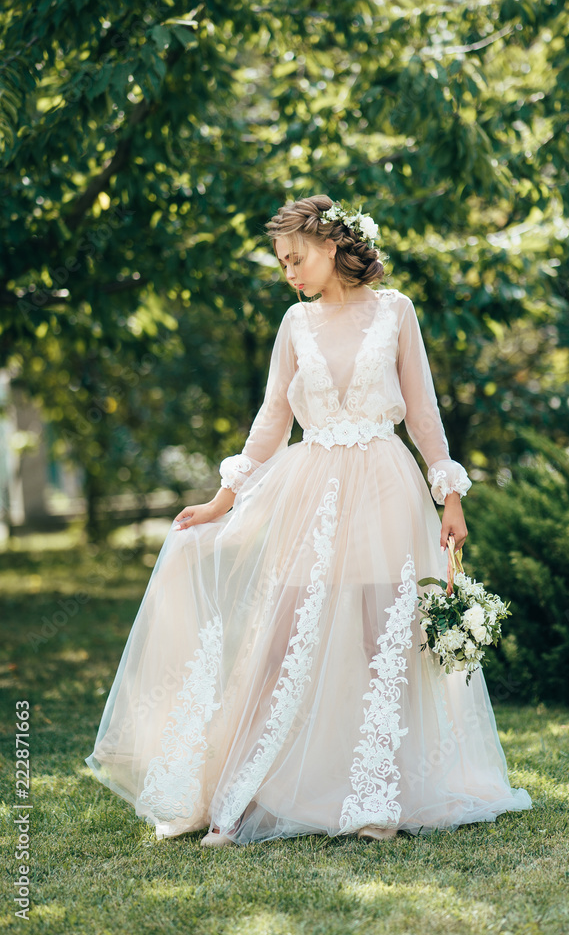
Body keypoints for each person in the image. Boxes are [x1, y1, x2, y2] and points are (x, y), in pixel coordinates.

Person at [84, 194, 531, 847]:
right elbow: (272, 419)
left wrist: (449, 494)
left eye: (295, 259)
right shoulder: (295, 324)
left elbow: (422, 410)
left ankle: (379, 797)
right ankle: (235, 796)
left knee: (386, 639)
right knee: (277, 642)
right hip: (310, 488)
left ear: (330, 246)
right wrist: (221, 499)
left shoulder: (395, 311)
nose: (288, 272)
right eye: (281, 263)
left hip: (384, 484)